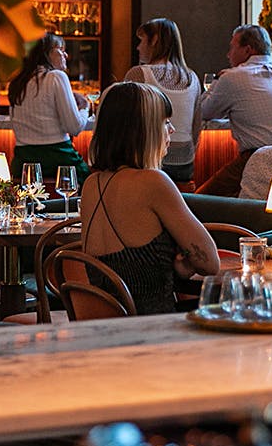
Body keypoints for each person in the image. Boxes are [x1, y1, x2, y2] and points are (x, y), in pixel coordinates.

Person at [81, 82, 220, 314]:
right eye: (165, 122)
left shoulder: (91, 185)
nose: (172, 130)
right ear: (143, 130)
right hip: (155, 331)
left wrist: (175, 269)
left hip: (107, 331)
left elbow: (126, 271)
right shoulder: (153, 182)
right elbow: (210, 263)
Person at [196, 24, 272, 196]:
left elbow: (203, 112)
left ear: (248, 50)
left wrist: (217, 81)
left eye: (232, 47)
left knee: (201, 201)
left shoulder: (232, 77)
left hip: (257, 158)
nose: (228, 54)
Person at [124, 18, 200, 183]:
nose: (138, 47)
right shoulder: (192, 77)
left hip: (150, 164)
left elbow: (125, 124)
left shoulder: (139, 74)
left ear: (155, 40)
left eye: (142, 41)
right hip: (185, 166)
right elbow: (196, 128)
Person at [8, 33, 90, 181]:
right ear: (46, 53)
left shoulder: (17, 82)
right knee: (91, 181)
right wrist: (84, 107)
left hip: (22, 163)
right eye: (60, 49)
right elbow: (74, 127)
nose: (65, 54)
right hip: (58, 158)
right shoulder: (56, 77)